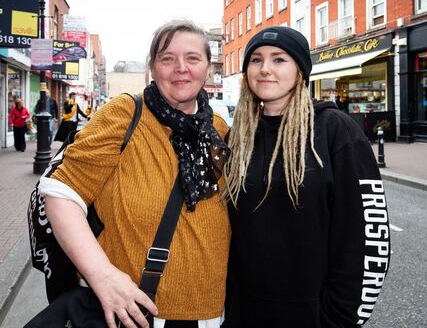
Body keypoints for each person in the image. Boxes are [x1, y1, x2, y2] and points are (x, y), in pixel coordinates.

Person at [39, 20, 231, 328]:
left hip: (210, 311)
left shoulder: (218, 129)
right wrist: (103, 276)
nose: (181, 68)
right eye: (167, 58)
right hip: (136, 312)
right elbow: (60, 193)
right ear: (153, 68)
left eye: (192, 58)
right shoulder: (126, 113)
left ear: (207, 67)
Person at [222, 26, 390, 327]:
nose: (265, 69)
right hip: (244, 315)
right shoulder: (239, 136)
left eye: (279, 59)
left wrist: (339, 319)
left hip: (313, 317)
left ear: (300, 70)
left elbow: (368, 239)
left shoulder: (334, 130)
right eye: (256, 60)